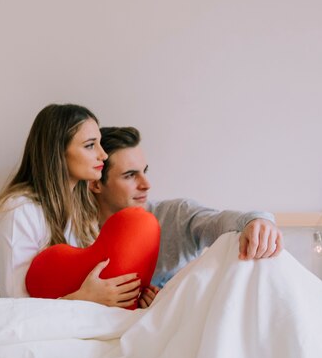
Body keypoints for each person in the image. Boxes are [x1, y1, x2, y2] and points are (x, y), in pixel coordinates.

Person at [0, 104, 144, 307]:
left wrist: (136, 294)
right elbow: (16, 301)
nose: (103, 155)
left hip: (44, 322)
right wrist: (84, 298)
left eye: (100, 144)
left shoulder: (82, 211)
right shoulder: (19, 211)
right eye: (90, 145)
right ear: (59, 152)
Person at [89, 126, 284, 305]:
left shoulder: (176, 215)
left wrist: (257, 220)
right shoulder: (77, 234)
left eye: (144, 172)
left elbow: (217, 221)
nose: (146, 184)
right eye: (130, 175)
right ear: (96, 184)